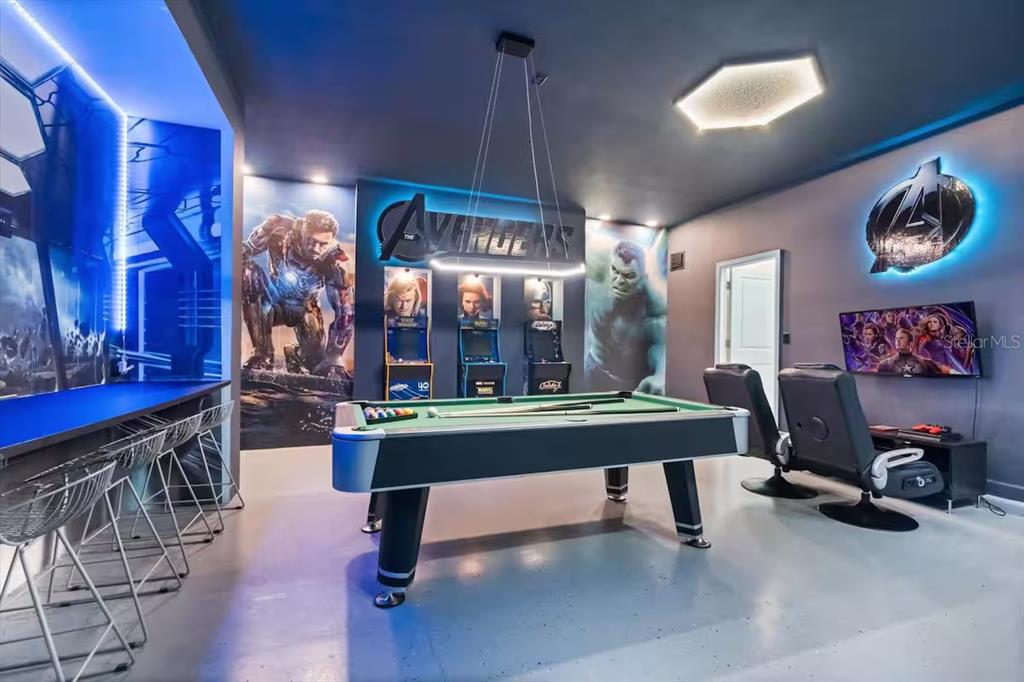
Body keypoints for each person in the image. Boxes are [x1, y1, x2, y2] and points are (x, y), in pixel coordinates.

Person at [241, 210, 353, 375]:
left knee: (315, 362)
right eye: (311, 240)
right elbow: (244, 251)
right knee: (248, 271)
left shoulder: (336, 261)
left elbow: (346, 311)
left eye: (322, 244)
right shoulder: (278, 227)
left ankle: (295, 354)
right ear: (303, 231)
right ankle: (262, 353)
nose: (315, 248)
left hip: (306, 306)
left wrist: (334, 357)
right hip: (272, 297)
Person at [585, 239, 665, 394]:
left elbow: (662, 343)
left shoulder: (652, 306)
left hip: (629, 383)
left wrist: (661, 375)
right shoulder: (595, 282)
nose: (620, 281)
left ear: (642, 278)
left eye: (629, 275)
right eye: (615, 271)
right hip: (593, 367)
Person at [876, 328, 943, 376]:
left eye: (901, 338)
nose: (898, 341)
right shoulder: (884, 365)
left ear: (910, 343)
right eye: (896, 338)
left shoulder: (928, 364)